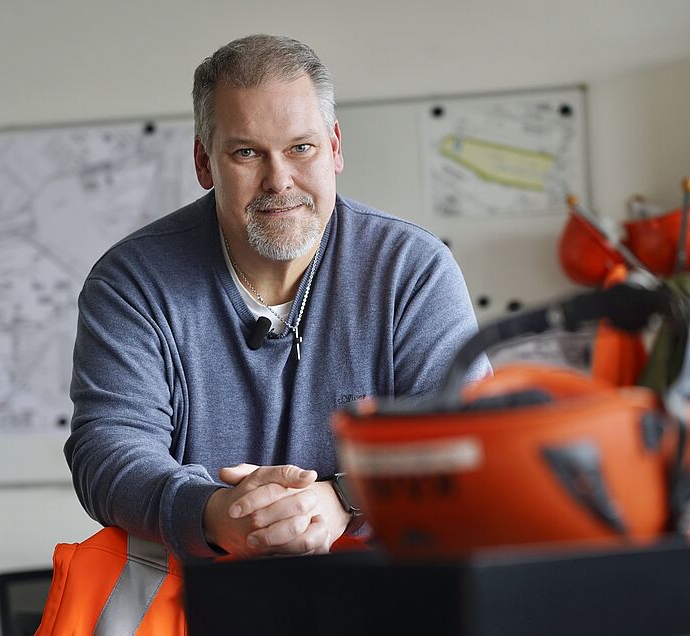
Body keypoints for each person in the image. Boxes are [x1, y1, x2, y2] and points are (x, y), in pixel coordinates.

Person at [65, 33, 488, 565]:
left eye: (300, 148)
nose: (278, 180)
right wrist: (215, 513)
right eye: (247, 153)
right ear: (203, 162)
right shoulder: (131, 282)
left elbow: (470, 442)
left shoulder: (412, 270)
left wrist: (344, 500)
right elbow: (107, 449)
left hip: (388, 598)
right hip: (199, 603)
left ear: (335, 147)